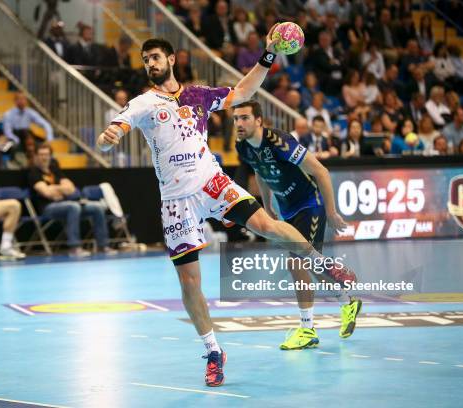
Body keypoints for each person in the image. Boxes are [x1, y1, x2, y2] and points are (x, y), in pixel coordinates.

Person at [97, 35, 357, 387]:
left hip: (210, 181)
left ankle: (325, 266)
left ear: (172, 59)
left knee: (268, 224)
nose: (150, 64)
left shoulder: (198, 96)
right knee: (189, 283)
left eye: (156, 57)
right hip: (176, 201)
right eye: (146, 60)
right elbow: (115, 128)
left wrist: (268, 55)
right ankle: (214, 353)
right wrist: (109, 137)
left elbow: (242, 92)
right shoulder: (143, 103)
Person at [233, 100, 361, 347]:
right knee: (311, 266)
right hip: (288, 211)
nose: (239, 123)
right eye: (236, 119)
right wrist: (268, 205)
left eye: (245, 118)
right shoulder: (243, 147)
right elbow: (260, 171)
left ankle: (307, 330)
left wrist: (332, 212)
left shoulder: (280, 142)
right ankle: (347, 302)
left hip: (309, 204)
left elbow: (321, 171)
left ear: (259, 120)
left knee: (296, 262)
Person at [29, 143, 115, 256]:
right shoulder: (33, 173)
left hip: (67, 203)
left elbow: (71, 189)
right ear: (36, 156)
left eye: (47, 154)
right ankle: (74, 248)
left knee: (97, 207)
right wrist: (60, 189)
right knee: (73, 207)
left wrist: (53, 189)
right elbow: (46, 192)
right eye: (41, 155)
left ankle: (103, 246)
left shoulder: (54, 170)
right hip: (48, 208)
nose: (44, 157)